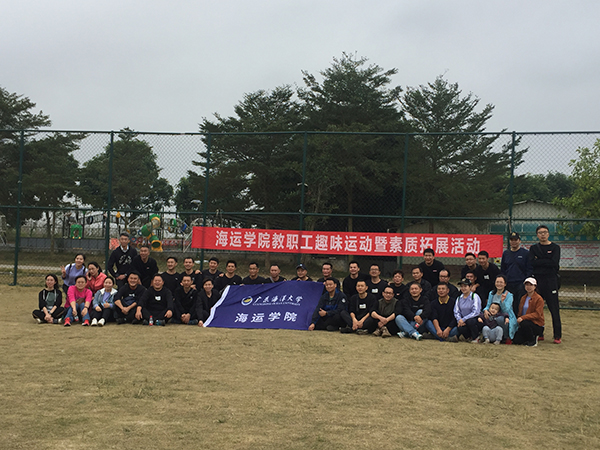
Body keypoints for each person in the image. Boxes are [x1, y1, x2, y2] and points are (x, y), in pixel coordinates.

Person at [528, 225, 562, 344]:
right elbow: (532, 263)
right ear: (537, 235)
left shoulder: (555, 248)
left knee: (554, 309)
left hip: (551, 281)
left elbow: (554, 263)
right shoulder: (533, 248)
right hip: (538, 282)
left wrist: (539, 260)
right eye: (540, 232)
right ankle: (539, 333)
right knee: (537, 308)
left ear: (548, 234)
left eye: (545, 232)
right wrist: (546, 261)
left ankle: (557, 335)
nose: (543, 234)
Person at [501, 231, 531, 316]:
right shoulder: (506, 253)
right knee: (510, 304)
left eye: (515, 240)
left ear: (519, 241)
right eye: (511, 240)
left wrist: (525, 282)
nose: (513, 242)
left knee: (520, 304)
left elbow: (529, 269)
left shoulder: (525, 253)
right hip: (509, 284)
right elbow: (503, 269)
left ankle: (520, 320)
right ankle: (511, 321)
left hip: (520, 283)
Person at [484, 275, 517, 343]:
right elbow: (488, 305)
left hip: (506, 316)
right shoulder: (491, 293)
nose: (499, 284)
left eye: (501, 282)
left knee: (500, 319)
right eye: (497, 282)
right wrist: (485, 310)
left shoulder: (509, 295)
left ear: (505, 284)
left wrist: (502, 301)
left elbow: (506, 310)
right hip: (493, 314)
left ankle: (505, 337)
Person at [513, 278, 545, 347]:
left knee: (525, 323)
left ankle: (533, 340)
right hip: (524, 323)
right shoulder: (523, 298)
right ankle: (528, 338)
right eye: (527, 285)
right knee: (516, 340)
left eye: (531, 285)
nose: (528, 287)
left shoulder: (539, 299)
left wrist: (523, 317)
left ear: (535, 286)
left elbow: (537, 314)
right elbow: (520, 311)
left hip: (536, 324)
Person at [454, 278, 482, 342]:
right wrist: (459, 320)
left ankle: (476, 337)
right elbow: (456, 311)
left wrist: (464, 319)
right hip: (463, 321)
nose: (463, 288)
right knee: (460, 327)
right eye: (461, 286)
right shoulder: (459, 298)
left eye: (465, 286)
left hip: (474, 319)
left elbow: (476, 312)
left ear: (470, 287)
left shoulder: (474, 296)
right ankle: (469, 337)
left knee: (470, 321)